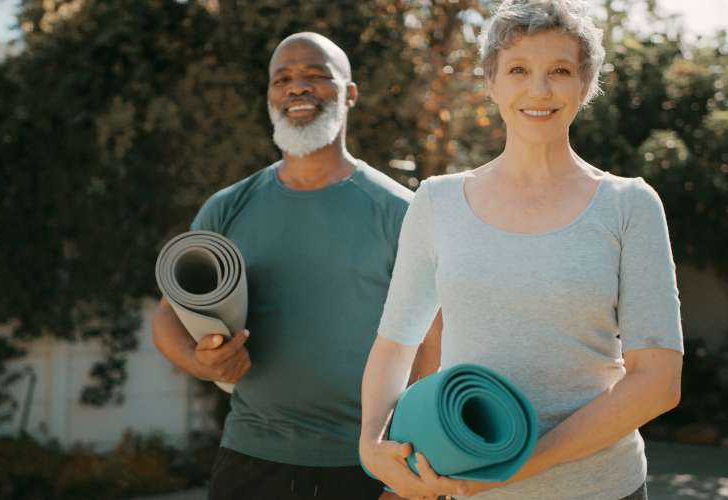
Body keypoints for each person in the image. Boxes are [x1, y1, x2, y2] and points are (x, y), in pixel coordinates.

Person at [359, 1, 683, 499]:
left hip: (602, 489)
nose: (539, 89)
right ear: (492, 83)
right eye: (518, 70)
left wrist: (517, 465)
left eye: (559, 70)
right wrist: (371, 445)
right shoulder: (437, 201)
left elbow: (657, 381)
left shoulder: (629, 205)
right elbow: (395, 344)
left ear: (585, 84)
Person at [151, 32, 441, 500]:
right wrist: (200, 363)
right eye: (282, 78)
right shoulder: (228, 207)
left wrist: (406, 473)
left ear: (349, 93)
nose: (297, 88)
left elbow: (435, 342)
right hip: (250, 460)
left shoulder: (401, 212)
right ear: (269, 96)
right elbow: (167, 317)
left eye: (316, 76)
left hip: (368, 464)